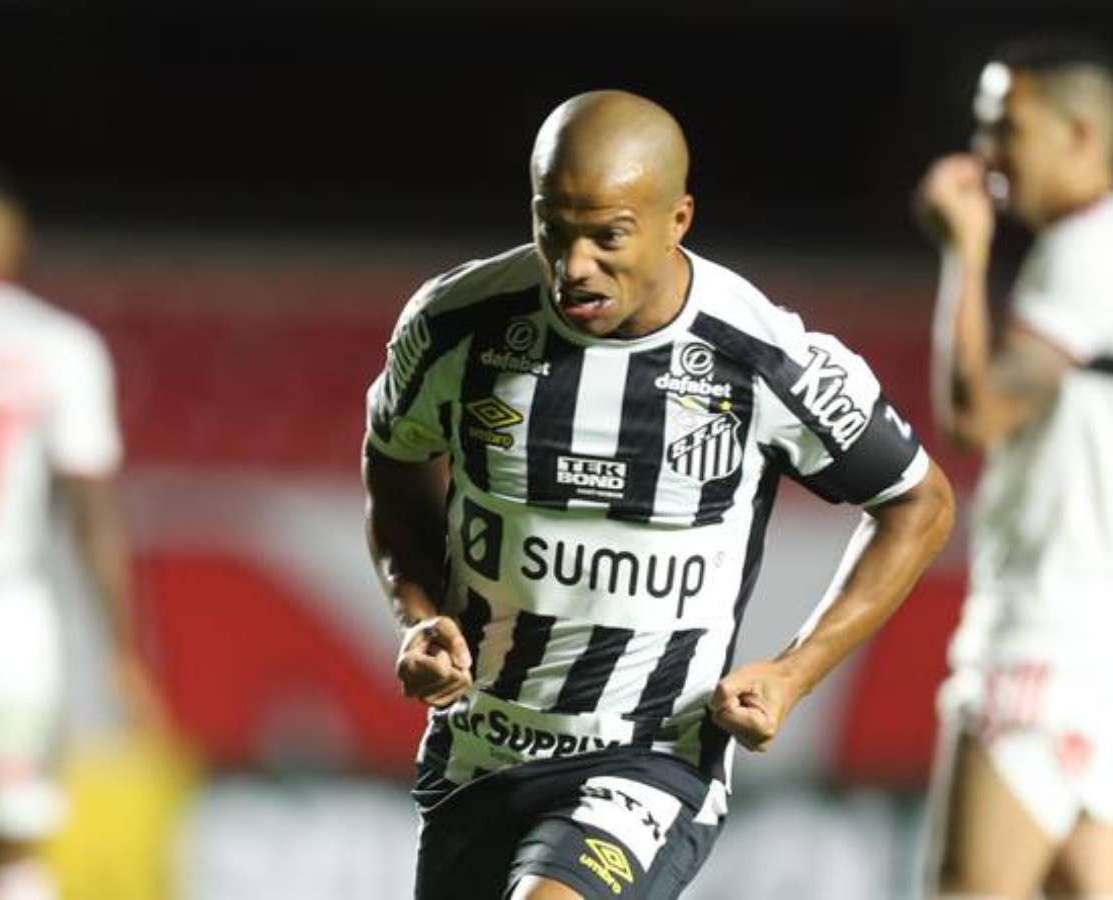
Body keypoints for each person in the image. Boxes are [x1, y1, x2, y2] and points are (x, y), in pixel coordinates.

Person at [364, 90, 954, 900]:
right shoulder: (454, 324)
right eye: (553, 228)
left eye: (607, 236)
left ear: (678, 219)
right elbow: (394, 461)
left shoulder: (761, 357)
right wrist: (418, 612)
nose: (574, 265)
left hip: (648, 758)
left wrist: (795, 672)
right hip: (478, 752)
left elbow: (919, 503)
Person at [0, 161, 156, 900]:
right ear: (8, 245)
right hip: (9, 610)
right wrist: (121, 650)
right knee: (15, 836)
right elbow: (89, 510)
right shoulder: (56, 343)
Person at [917, 36, 1113, 900]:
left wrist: (963, 250)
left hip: (1044, 637)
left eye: (1008, 128)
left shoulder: (1085, 250)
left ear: (1080, 134)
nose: (985, 151)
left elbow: (976, 414)